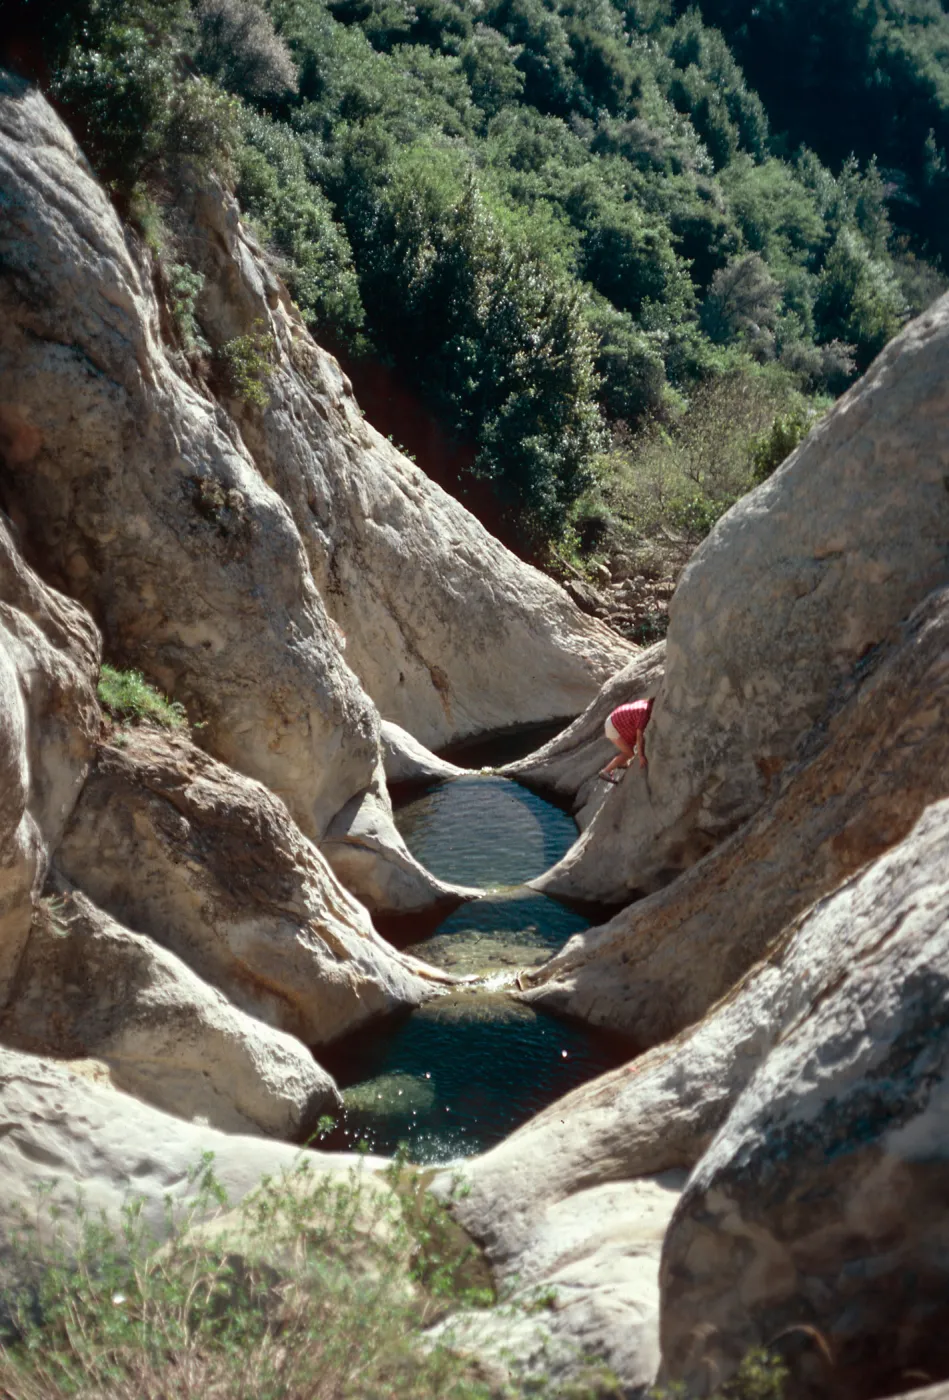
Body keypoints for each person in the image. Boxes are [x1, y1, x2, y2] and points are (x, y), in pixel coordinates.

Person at [599, 697, 654, 782]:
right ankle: (606, 771)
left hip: (614, 718)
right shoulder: (644, 713)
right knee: (629, 753)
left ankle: (622, 764)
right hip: (613, 726)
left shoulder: (644, 703)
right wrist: (641, 756)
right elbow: (639, 736)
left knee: (629, 749)